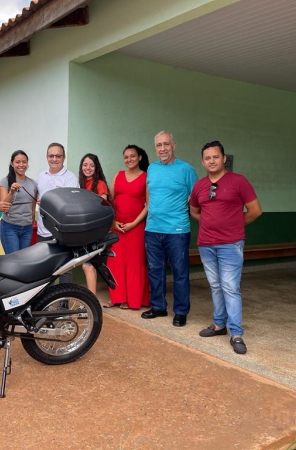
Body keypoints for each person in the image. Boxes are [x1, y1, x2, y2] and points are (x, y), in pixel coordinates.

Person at [190, 140, 262, 354]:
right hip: (206, 244)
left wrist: (234, 224)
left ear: (224, 159)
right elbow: (194, 210)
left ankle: (237, 333)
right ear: (203, 162)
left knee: (230, 287)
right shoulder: (199, 186)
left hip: (231, 244)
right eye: (207, 158)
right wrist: (209, 223)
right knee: (215, 285)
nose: (211, 161)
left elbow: (255, 210)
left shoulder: (238, 181)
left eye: (215, 156)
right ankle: (219, 325)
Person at [142, 131, 198, 327]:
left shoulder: (186, 169)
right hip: (153, 229)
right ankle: (158, 307)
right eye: (159, 145)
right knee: (155, 271)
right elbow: (149, 196)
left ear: (174, 145)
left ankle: (181, 311)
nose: (162, 148)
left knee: (180, 273)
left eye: (166, 144)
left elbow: (196, 198)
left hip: (177, 230)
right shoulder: (151, 169)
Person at [105, 145, 150, 309]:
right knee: (115, 261)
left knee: (134, 262)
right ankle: (116, 297)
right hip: (117, 226)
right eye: (126, 157)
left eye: (132, 156)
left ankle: (131, 299)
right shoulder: (118, 175)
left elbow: (148, 205)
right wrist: (113, 222)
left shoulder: (146, 177)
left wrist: (133, 224)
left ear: (139, 158)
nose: (129, 159)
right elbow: (110, 200)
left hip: (135, 227)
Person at [36, 142, 79, 284]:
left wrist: (49, 202)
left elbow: (71, 204)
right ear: (46, 157)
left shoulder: (70, 178)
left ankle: (64, 304)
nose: (54, 159)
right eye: (51, 156)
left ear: (64, 157)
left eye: (58, 156)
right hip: (43, 230)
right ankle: (46, 301)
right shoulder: (41, 176)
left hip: (62, 232)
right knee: (44, 269)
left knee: (64, 268)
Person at [78, 153, 109, 295]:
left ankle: (92, 301)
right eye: (85, 165)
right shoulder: (80, 184)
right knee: (88, 265)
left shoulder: (100, 184)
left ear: (96, 167)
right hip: (83, 230)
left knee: (88, 265)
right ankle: (92, 300)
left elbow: (102, 205)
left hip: (95, 230)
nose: (88, 168)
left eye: (91, 165)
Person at [0, 150, 37, 254]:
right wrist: (11, 192)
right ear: (12, 163)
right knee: (13, 261)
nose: (21, 165)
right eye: (17, 162)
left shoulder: (33, 183)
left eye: (24, 162)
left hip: (27, 228)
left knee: (24, 260)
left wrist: (31, 222)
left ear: (27, 164)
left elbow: (32, 208)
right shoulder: (5, 181)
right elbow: (2, 206)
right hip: (10, 227)